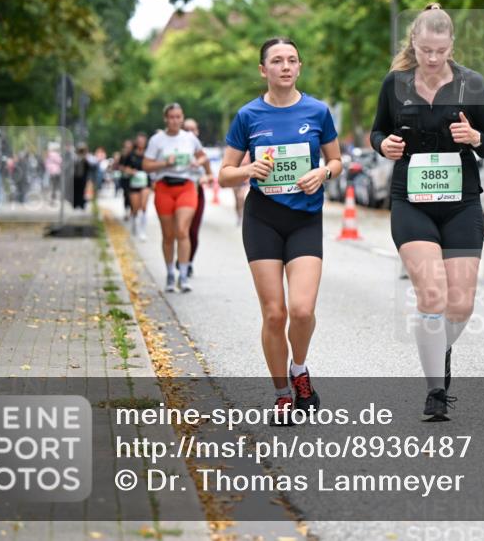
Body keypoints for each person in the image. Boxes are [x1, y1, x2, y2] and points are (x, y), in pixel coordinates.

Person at [370, 4, 484, 421]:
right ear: (414, 43)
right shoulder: (395, 84)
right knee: (431, 294)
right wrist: (382, 145)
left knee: (460, 305)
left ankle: (436, 346)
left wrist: (475, 135)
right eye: (425, 49)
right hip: (412, 201)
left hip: (461, 201)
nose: (431, 58)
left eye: (439, 51)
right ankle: (436, 392)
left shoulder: (472, 85)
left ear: (451, 47)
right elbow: (377, 130)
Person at [218, 37, 341, 420]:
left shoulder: (317, 111)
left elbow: (336, 161)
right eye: (276, 61)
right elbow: (223, 175)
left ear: (299, 68)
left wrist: (322, 173)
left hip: (305, 217)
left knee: (301, 310)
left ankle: (299, 370)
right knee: (274, 314)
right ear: (264, 70)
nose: (285, 66)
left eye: (291, 60)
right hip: (263, 219)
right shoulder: (248, 116)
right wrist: (246, 170)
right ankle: (282, 393)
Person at [142, 105, 208, 293]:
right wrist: (164, 163)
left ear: (182, 118)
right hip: (164, 187)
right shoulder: (157, 140)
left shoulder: (189, 138)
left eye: (178, 117)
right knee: (168, 234)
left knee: (182, 230)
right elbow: (146, 165)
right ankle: (171, 273)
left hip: (186, 186)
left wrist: (197, 162)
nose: (174, 120)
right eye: (171, 117)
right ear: (165, 119)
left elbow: (203, 157)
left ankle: (184, 275)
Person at [182, 118, 214, 278]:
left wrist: (204, 179)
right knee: (181, 231)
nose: (190, 133)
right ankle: (181, 259)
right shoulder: (178, 150)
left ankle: (187, 262)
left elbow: (211, 176)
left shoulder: (202, 155)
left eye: (193, 129)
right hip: (180, 193)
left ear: (197, 132)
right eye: (186, 129)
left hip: (196, 193)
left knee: (193, 231)